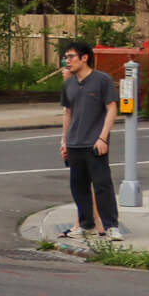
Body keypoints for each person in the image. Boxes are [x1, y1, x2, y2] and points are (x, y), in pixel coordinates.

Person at [58, 40, 123, 241]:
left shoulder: (102, 80)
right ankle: (86, 225)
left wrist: (103, 137)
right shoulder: (68, 83)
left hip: (95, 143)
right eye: (65, 57)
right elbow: (68, 112)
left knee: (102, 185)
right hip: (74, 143)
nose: (66, 61)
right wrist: (63, 141)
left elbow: (112, 108)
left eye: (70, 57)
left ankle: (112, 226)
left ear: (84, 58)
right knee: (78, 187)